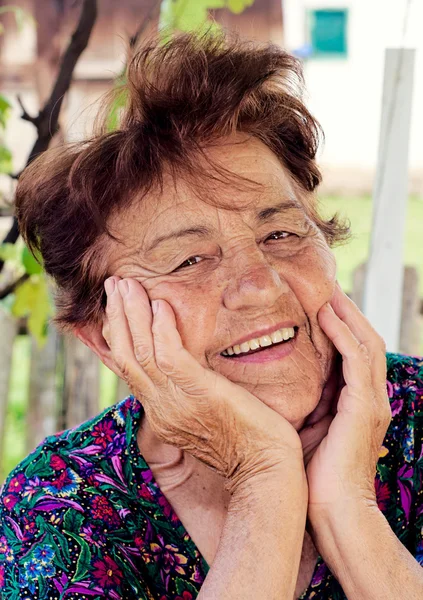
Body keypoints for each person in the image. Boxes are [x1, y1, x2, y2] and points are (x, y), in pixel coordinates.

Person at [0, 32, 422, 600]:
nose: (260, 285)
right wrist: (263, 479)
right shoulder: (60, 507)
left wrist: (349, 507)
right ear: (105, 338)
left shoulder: (415, 420)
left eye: (281, 232)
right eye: (190, 259)